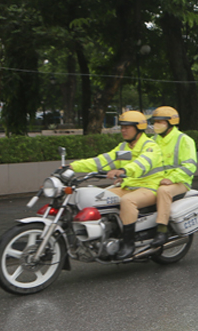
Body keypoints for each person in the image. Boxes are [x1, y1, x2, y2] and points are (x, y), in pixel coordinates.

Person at [69, 111, 164, 259]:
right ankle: (108, 234)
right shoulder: (123, 148)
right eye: (122, 127)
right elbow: (102, 160)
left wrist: (124, 170)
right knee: (100, 197)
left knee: (128, 201)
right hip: (128, 187)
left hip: (149, 188)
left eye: (127, 127)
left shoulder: (150, 146)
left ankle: (128, 244)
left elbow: (143, 163)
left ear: (139, 128)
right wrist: (72, 167)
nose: (123, 130)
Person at [148, 106, 198, 248]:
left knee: (164, 191)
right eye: (155, 121)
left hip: (180, 182)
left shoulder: (184, 140)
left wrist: (172, 178)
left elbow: (190, 166)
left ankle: (162, 230)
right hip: (156, 181)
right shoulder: (153, 140)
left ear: (171, 123)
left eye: (160, 122)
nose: (156, 125)